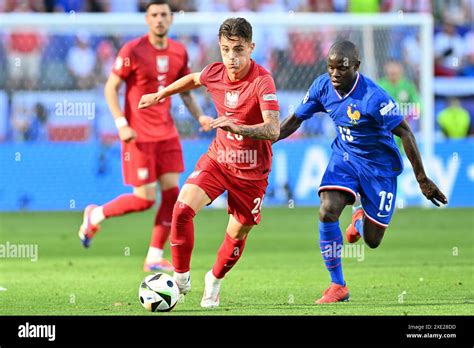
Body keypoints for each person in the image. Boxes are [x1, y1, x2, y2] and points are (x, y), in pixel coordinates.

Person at [276, 40, 447, 304]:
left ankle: (359, 219)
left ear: (356, 66)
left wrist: (422, 179)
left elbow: (405, 132)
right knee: (327, 210)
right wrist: (267, 140)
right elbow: (296, 119)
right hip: (345, 158)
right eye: (330, 67)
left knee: (372, 240)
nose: (334, 74)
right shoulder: (322, 86)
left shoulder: (373, 97)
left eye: (341, 68)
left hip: (379, 169)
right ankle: (338, 285)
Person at [138, 17, 280, 308]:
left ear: (251, 48)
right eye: (226, 49)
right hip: (218, 159)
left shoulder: (262, 81)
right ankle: (180, 278)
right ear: (220, 47)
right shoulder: (215, 72)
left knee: (237, 235)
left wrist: (237, 126)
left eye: (238, 49)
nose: (232, 57)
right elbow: (192, 79)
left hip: (252, 172)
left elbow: (273, 129)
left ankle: (214, 280)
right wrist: (161, 94)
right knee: (181, 209)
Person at [78, 0, 213, 273]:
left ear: (171, 19)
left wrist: (199, 116)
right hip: (138, 136)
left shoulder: (179, 52)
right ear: (147, 19)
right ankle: (96, 214)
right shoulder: (133, 50)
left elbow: (185, 89)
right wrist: (121, 124)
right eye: (154, 15)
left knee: (173, 195)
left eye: (164, 14)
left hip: (167, 134)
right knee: (144, 200)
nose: (160, 19)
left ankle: (153, 256)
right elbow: (111, 87)